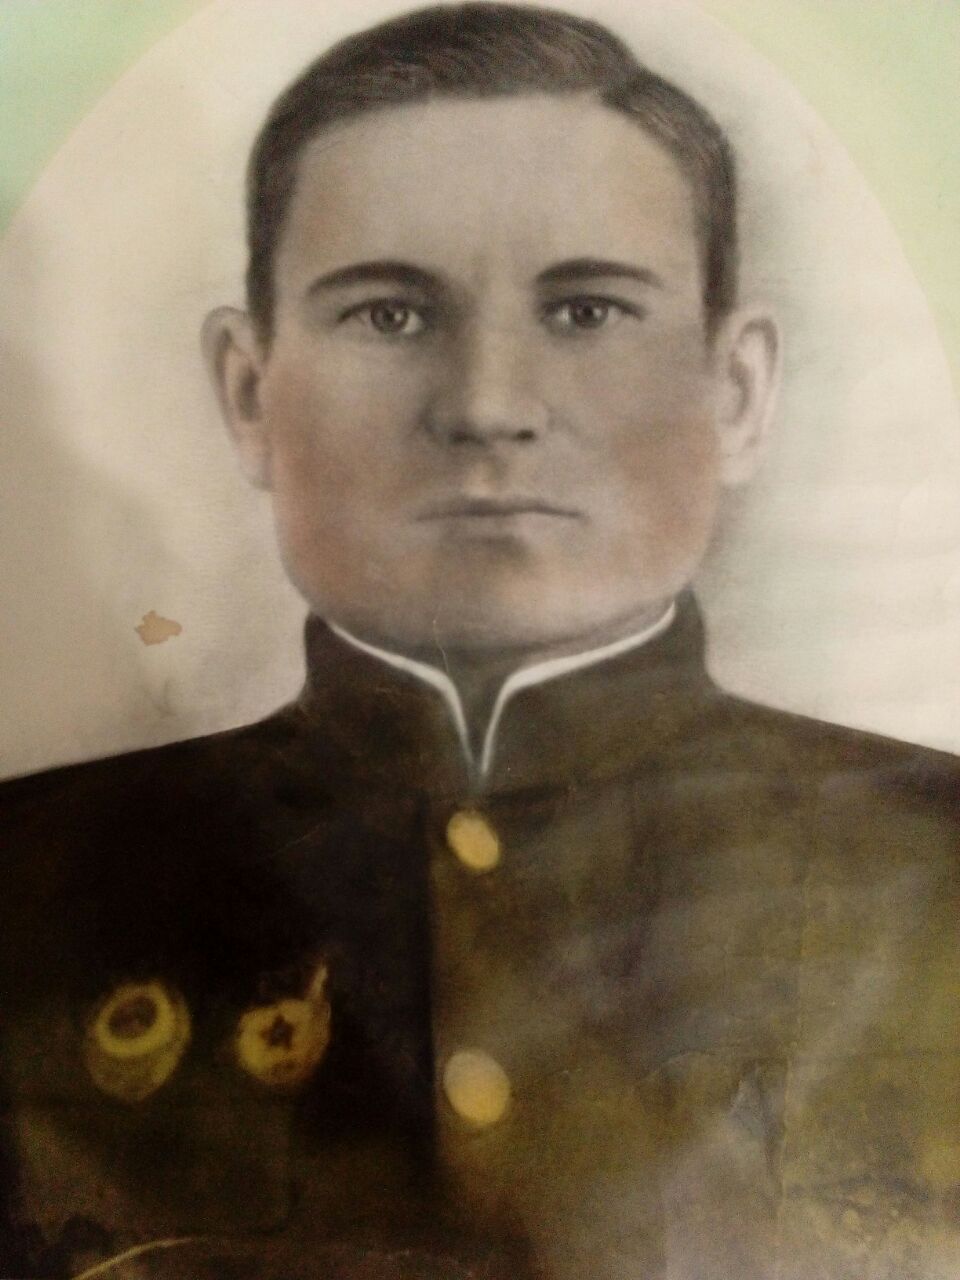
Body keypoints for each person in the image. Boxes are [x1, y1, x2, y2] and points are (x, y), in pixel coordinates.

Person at [1, 4, 958, 1278]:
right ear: (247, 390)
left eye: (588, 311)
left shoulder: (936, 866)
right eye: (391, 315)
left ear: (736, 389)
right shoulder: (29, 885)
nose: (489, 408)